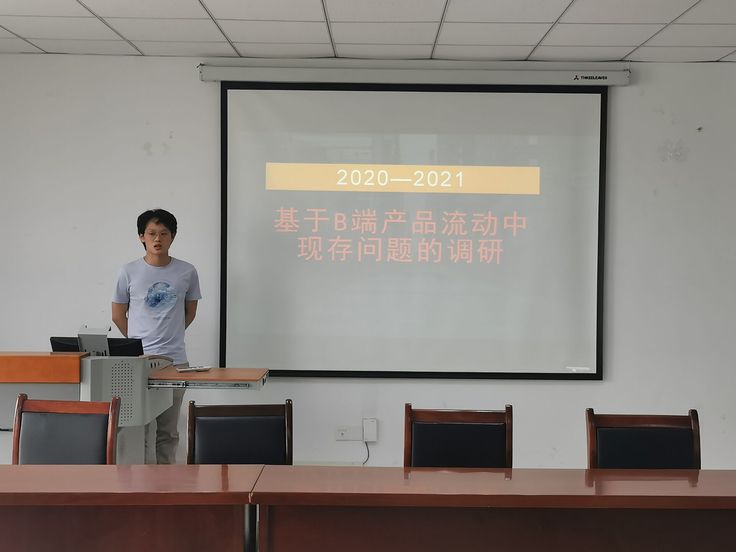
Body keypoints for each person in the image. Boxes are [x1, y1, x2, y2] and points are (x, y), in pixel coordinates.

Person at [112, 208, 201, 464]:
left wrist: (170, 333)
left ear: (173, 236)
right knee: (138, 428)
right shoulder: (128, 271)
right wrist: (138, 344)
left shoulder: (187, 271)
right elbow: (118, 314)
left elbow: (190, 312)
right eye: (151, 233)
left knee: (168, 431)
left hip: (175, 362)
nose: (157, 239)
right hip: (138, 362)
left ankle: (166, 481)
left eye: (163, 233)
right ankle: (141, 482)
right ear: (141, 236)